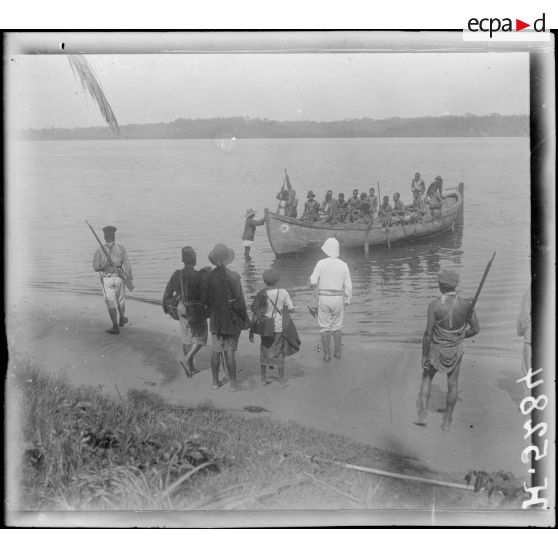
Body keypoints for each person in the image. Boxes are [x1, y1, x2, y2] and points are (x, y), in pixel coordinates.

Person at [416, 269, 479, 431]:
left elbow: (428, 334)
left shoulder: (434, 306)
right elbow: (475, 329)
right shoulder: (466, 305)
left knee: (426, 379)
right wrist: (458, 336)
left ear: (440, 286)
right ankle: (447, 422)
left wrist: (424, 354)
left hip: (436, 347)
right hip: (456, 348)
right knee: (452, 384)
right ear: (456, 285)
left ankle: (422, 416)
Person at [201, 243, 250, 391]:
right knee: (230, 352)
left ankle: (215, 382)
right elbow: (240, 303)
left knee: (216, 351)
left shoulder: (208, 277)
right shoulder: (234, 277)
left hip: (216, 320)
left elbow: (204, 301)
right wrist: (246, 320)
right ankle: (233, 384)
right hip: (231, 320)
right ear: (227, 259)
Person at [162, 247, 210, 376]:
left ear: (183, 260)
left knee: (186, 339)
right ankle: (187, 358)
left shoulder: (177, 274)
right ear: (194, 260)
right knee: (201, 337)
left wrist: (167, 308)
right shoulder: (201, 275)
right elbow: (206, 295)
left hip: (182, 308)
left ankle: (190, 368)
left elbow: (167, 293)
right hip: (196, 310)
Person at [249, 269, 296, 388]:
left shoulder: (262, 293)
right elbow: (291, 308)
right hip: (279, 327)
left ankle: (263, 379)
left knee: (264, 350)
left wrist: (251, 330)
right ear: (278, 280)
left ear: (264, 281)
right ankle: (281, 381)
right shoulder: (283, 292)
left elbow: (255, 312)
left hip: (265, 327)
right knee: (279, 351)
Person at [309, 238, 352, 361]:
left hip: (324, 297)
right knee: (337, 326)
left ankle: (327, 355)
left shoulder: (321, 263)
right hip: (338, 297)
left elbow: (312, 281)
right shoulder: (344, 264)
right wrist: (348, 300)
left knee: (324, 327)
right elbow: (348, 285)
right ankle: (337, 353)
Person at [92, 225, 133, 335]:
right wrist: (130, 280)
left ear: (105, 237)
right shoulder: (121, 248)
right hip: (119, 278)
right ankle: (121, 320)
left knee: (111, 303)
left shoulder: (99, 250)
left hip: (107, 279)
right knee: (121, 300)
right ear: (114, 236)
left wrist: (103, 267)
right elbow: (127, 267)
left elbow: (95, 267)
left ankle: (115, 327)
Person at [517, 287, 531, 375]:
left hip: (531, 339)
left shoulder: (529, 291)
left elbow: (524, 317)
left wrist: (520, 332)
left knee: (529, 372)